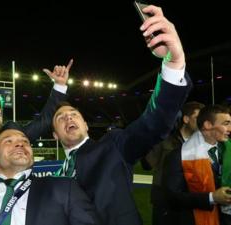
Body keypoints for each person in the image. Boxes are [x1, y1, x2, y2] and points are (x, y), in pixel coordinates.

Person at [51, 5, 192, 225]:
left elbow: (153, 124)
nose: (69, 118)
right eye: (61, 118)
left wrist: (174, 63)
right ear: (55, 135)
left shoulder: (112, 146)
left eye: (74, 114)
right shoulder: (57, 176)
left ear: (87, 125)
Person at [163, 105, 231, 225]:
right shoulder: (177, 156)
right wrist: (212, 197)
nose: (230, 128)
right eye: (226, 123)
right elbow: (172, 197)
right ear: (208, 125)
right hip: (194, 219)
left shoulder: (227, 150)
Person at [140, 101, 204, 225]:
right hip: (165, 200)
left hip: (190, 199)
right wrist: (147, 140)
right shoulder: (164, 139)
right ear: (186, 119)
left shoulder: (202, 143)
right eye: (197, 118)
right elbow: (147, 165)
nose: (201, 122)